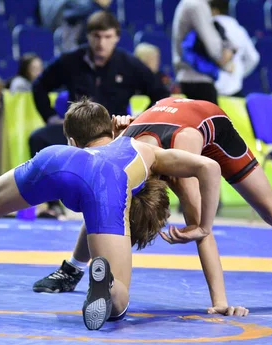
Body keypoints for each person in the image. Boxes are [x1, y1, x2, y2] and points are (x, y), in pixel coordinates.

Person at [0, 99, 247, 331]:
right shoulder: (137, 146)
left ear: (73, 136)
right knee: (119, 301)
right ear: (113, 129)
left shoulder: (66, 147)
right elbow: (208, 170)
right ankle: (104, 284)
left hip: (56, 163)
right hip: (108, 181)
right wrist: (203, 226)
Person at [36, 97, 272, 307]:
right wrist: (118, 125)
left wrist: (219, 300)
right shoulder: (121, 158)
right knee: (105, 199)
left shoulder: (181, 175)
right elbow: (100, 207)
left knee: (271, 210)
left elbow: (203, 233)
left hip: (210, 128)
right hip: (166, 119)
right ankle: (71, 271)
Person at [29, 10, 170, 218]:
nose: (101, 42)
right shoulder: (71, 61)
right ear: (88, 36)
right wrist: (51, 117)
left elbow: (161, 93)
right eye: (96, 36)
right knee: (39, 138)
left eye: (107, 37)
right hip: (78, 131)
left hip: (115, 135)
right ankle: (52, 205)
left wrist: (140, 120)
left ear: (117, 37)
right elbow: (39, 86)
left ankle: (144, 209)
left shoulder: (129, 64)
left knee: (151, 148)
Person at [172, 0, 234, 104]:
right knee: (208, 119)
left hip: (190, 78)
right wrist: (226, 55)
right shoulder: (197, 4)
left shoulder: (190, 3)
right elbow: (214, 48)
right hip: (197, 79)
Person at [210, 0, 260, 97]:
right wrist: (238, 74)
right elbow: (254, 58)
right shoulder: (238, 28)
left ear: (214, 10)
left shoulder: (208, 26)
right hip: (234, 90)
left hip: (211, 90)